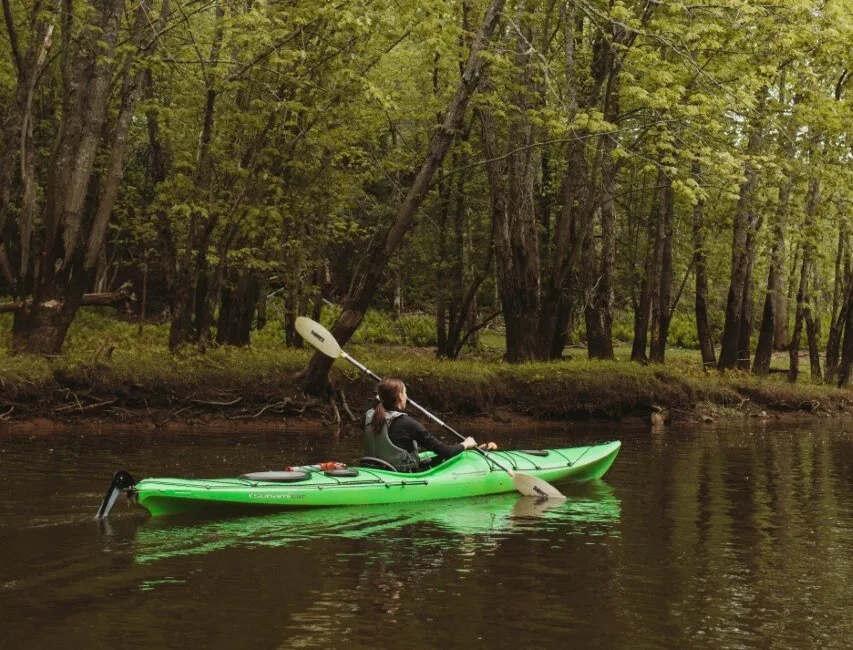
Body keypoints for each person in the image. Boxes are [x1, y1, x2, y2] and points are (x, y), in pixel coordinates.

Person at [363, 378, 490, 472]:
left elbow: (371, 408)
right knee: (443, 458)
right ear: (401, 397)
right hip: (401, 475)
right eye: (405, 393)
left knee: (432, 460)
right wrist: (465, 444)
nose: (407, 397)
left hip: (375, 469)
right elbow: (445, 452)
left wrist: (379, 397)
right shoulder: (408, 424)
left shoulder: (369, 418)